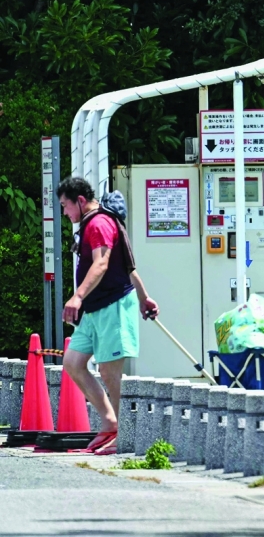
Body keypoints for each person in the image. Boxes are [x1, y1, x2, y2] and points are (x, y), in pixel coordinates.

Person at [57, 177, 159, 455]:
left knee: (109, 372)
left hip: (112, 305)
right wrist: (144, 297)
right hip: (94, 309)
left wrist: (77, 296)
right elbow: (127, 266)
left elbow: (102, 264)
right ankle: (110, 422)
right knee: (73, 362)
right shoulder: (93, 223)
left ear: (80, 200)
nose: (65, 213)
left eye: (66, 206)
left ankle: (124, 434)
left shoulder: (100, 223)